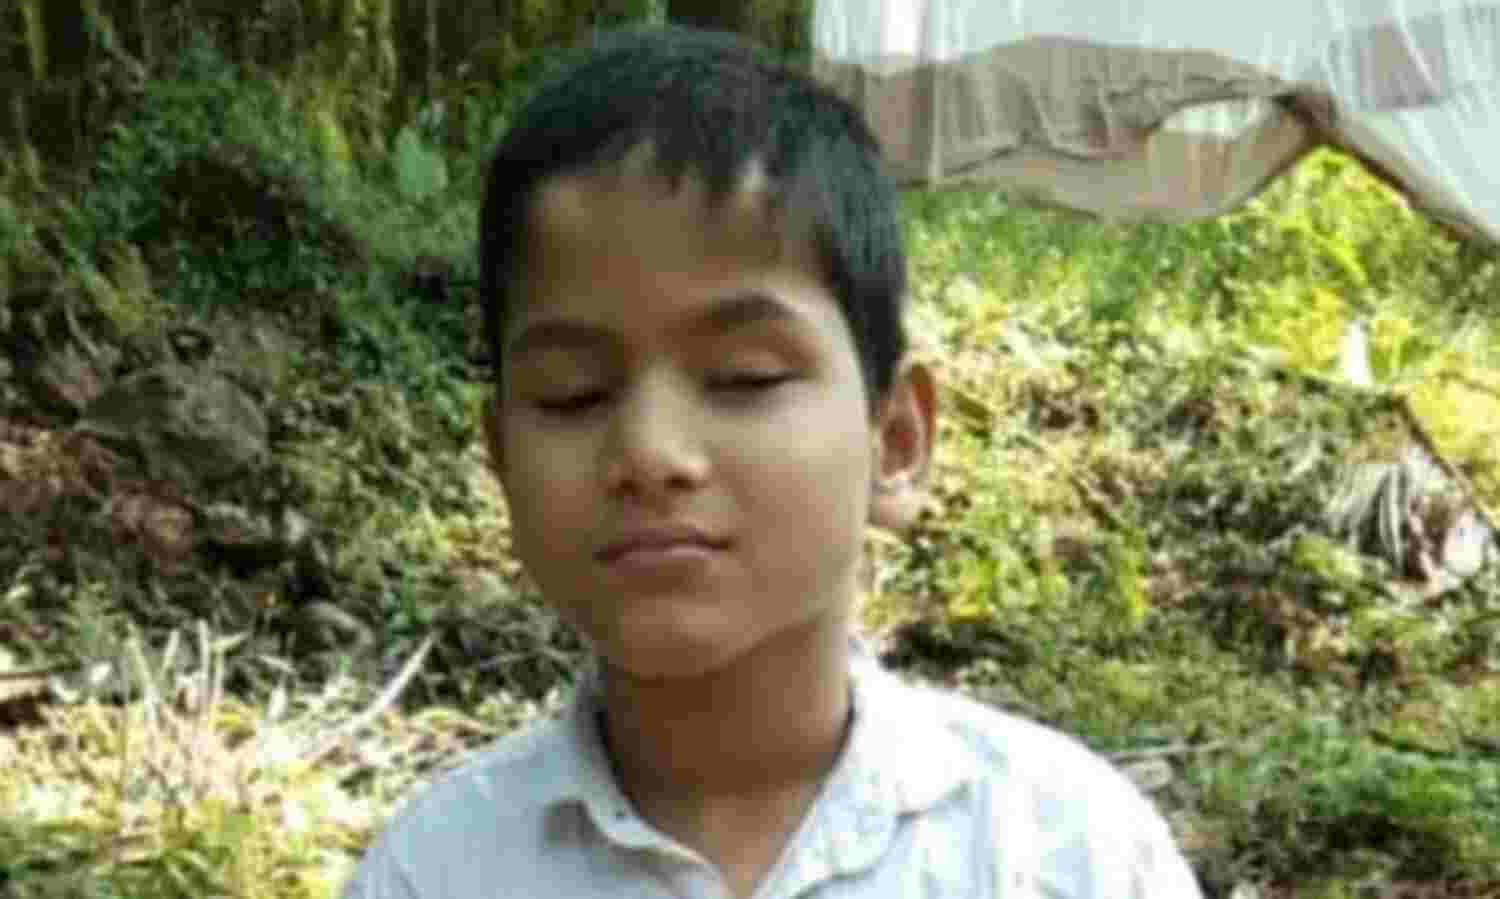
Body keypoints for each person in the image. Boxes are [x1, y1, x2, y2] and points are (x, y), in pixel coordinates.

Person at [343, 25, 1202, 899]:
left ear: (896, 440)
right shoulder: (434, 873)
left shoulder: (1062, 853)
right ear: (501, 459)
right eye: (573, 392)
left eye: (744, 377)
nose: (650, 452)